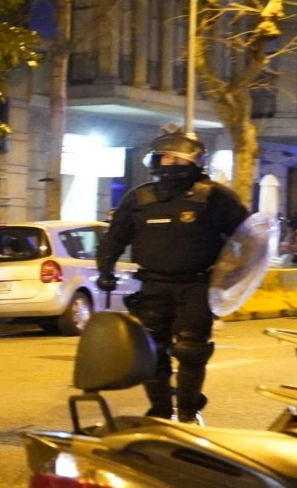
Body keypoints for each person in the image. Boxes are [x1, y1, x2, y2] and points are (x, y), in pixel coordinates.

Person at [95, 130, 251, 423]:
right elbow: (115, 238)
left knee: (191, 350)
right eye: (166, 157)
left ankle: (189, 410)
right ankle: (161, 410)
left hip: (196, 286)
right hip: (152, 286)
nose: (171, 162)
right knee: (152, 352)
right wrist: (106, 269)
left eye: (178, 157)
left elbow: (248, 236)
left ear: (194, 162)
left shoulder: (214, 196)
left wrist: (236, 274)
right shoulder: (139, 198)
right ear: (156, 160)